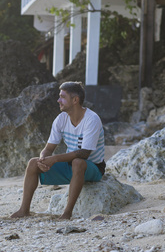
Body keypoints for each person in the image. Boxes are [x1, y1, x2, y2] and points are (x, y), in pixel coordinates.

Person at [11, 81, 105, 220]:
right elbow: (48, 148)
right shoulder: (61, 119)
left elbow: (84, 154)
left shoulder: (91, 119)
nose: (58, 100)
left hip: (93, 168)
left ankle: (67, 213)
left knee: (78, 162)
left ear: (75, 100)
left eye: (62, 97)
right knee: (33, 163)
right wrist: (43, 159)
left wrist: (54, 159)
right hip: (70, 166)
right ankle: (24, 210)